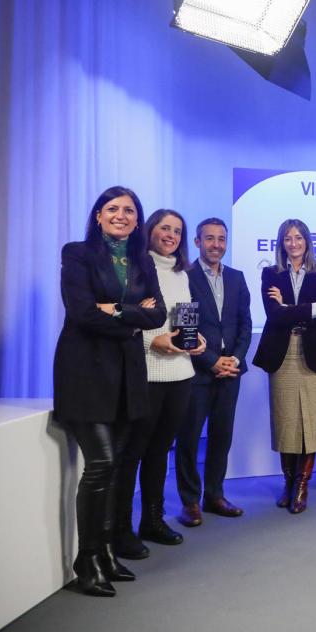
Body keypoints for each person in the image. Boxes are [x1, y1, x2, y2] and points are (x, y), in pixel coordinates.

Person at [53, 186, 166, 597]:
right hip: (85, 372)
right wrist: (132, 316)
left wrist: (116, 309)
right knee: (101, 463)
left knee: (116, 465)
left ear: (138, 220)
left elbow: (157, 315)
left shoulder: (141, 259)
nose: (121, 215)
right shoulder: (77, 253)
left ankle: (104, 553)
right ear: (99, 215)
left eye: (129, 210)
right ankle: (87, 558)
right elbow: (81, 312)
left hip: (126, 374)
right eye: (113, 209)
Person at [114, 210, 207, 559]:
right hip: (148, 374)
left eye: (177, 231)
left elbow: (182, 318)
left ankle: (153, 520)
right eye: (165, 228)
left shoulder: (181, 272)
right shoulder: (135, 268)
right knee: (132, 454)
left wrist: (195, 341)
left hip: (181, 374)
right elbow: (129, 319)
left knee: (159, 452)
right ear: (150, 230)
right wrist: (152, 341)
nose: (171, 235)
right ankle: (120, 529)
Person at [252, 218, 316, 514]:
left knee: (310, 421)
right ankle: (288, 483)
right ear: (281, 243)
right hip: (281, 352)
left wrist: (290, 308)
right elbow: (274, 315)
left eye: (299, 238)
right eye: (288, 238)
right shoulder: (270, 273)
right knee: (286, 419)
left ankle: (303, 484)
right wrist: (311, 309)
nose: (294, 243)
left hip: (311, 351)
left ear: (307, 242)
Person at [175, 218, 252, 528]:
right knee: (190, 438)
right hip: (196, 372)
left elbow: (245, 324)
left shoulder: (237, 278)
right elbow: (185, 328)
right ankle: (190, 501)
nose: (216, 245)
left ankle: (215, 495)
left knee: (222, 436)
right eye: (209, 239)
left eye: (221, 239)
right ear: (197, 242)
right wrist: (211, 361)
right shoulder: (184, 277)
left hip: (230, 371)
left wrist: (234, 358)